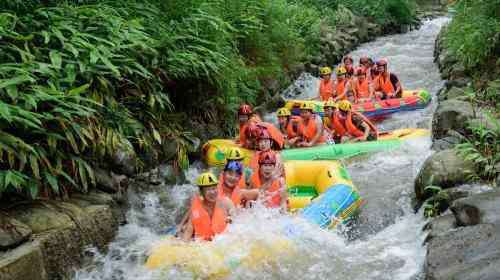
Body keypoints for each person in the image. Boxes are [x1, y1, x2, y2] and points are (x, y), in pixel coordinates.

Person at [179, 172, 235, 241]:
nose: (212, 192)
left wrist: (231, 218)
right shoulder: (196, 210)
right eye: (208, 189)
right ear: (201, 192)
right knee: (184, 229)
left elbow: (235, 216)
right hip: (203, 244)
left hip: (222, 241)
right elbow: (188, 233)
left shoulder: (226, 202)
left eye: (214, 188)